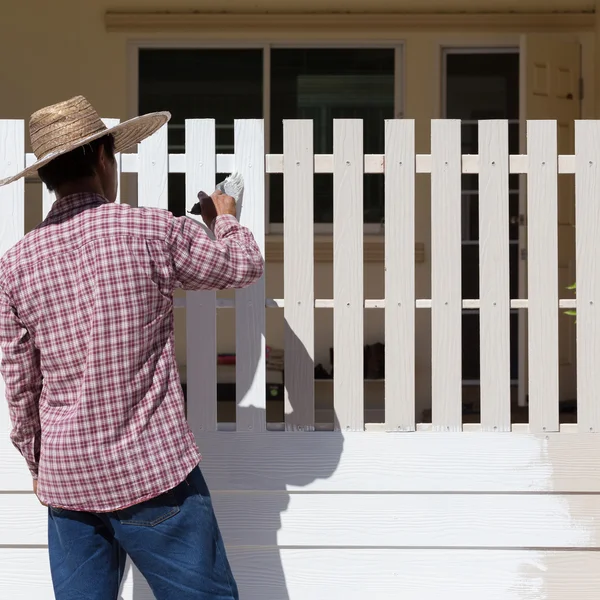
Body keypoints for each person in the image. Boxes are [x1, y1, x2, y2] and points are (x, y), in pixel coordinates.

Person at [0, 96, 263, 599]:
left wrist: (37, 466)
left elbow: (20, 383)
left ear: (47, 175)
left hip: (68, 478)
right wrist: (224, 217)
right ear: (103, 157)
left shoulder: (14, 266)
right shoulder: (151, 230)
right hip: (150, 469)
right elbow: (241, 264)